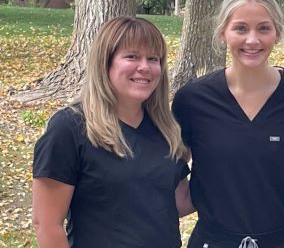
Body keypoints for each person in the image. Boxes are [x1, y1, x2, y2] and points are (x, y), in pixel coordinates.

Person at [172, 0, 284, 248]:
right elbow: (167, 168)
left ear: (277, 32)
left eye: (263, 28)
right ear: (223, 33)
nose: (252, 40)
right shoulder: (193, 99)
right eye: (241, 28)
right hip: (214, 240)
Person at [32, 16, 194, 248]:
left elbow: (178, 201)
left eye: (153, 59)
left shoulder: (165, 129)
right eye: (132, 56)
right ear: (105, 62)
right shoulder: (70, 128)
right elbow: (46, 225)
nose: (145, 67)